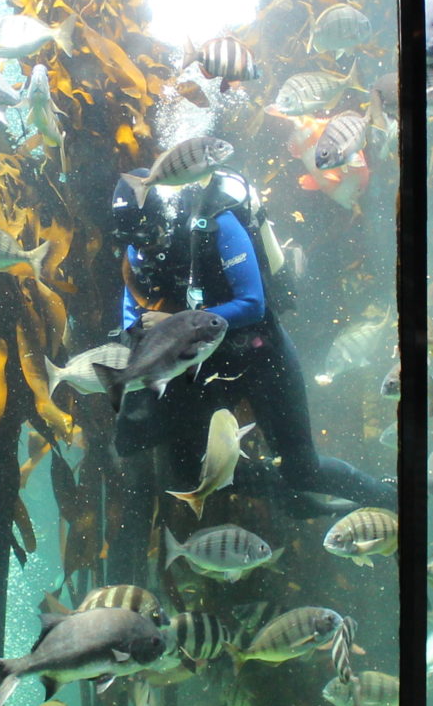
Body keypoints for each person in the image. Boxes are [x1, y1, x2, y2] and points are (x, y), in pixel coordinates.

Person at [104, 173, 395, 510]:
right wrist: (139, 339)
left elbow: (252, 304)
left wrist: (174, 324)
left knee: (303, 469)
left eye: (150, 236)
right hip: (206, 365)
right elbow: (131, 311)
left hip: (262, 354)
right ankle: (300, 504)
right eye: (133, 240)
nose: (145, 248)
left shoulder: (216, 224)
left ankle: (392, 499)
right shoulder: (137, 252)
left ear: (167, 216)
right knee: (189, 471)